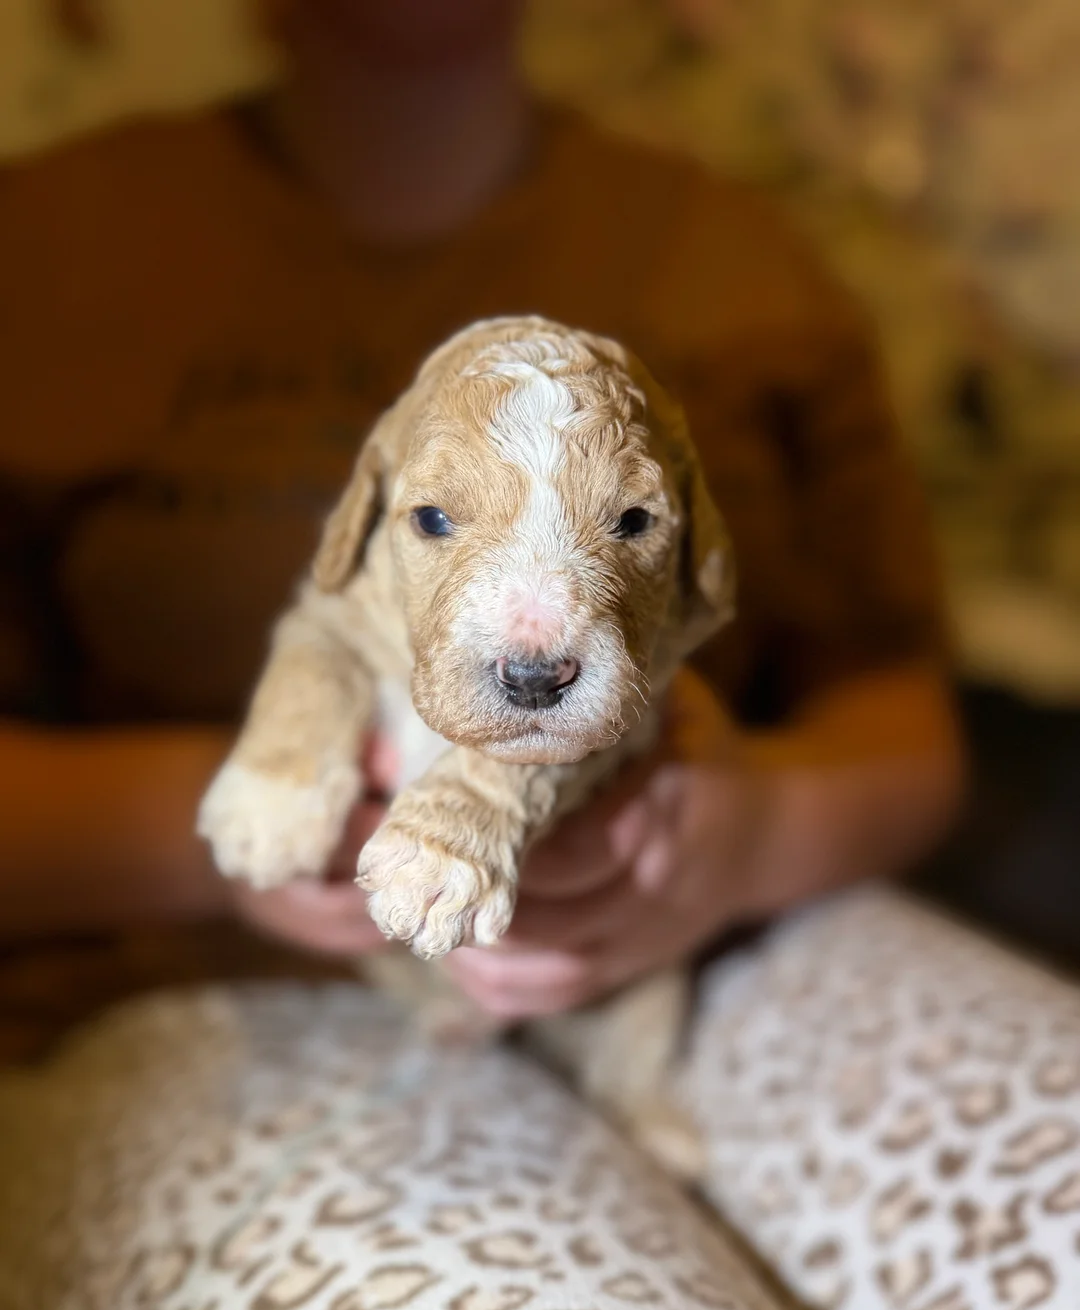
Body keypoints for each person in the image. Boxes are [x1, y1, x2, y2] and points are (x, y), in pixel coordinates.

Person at [0, 0, 963, 1035]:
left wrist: (758, 832)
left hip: (710, 975)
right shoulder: (44, 242)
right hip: (187, 1005)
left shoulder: (752, 265)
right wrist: (241, 818)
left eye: (631, 520)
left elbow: (904, 721)